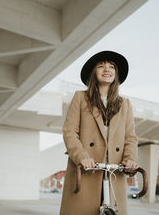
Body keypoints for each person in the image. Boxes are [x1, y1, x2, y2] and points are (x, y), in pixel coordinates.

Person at [60, 51, 139, 215]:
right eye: (101, 66)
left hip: (114, 171)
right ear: (93, 72)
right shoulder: (80, 97)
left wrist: (130, 160)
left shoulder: (125, 104)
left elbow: (130, 137)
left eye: (111, 67)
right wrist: (82, 157)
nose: (107, 69)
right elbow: (69, 131)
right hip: (87, 170)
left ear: (116, 74)